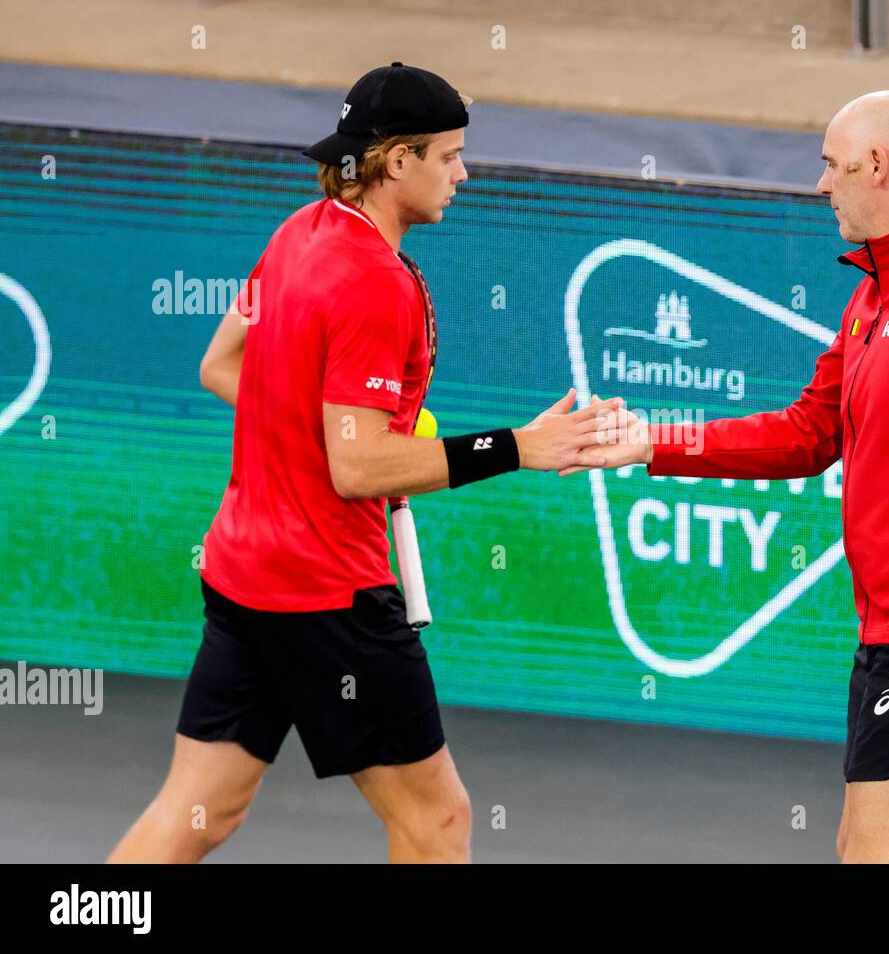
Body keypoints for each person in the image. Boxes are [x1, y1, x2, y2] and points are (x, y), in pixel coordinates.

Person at [108, 63, 613, 864]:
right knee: (436, 820)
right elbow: (360, 470)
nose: (463, 173)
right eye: (448, 156)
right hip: (327, 595)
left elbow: (223, 364)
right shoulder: (377, 285)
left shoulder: (298, 231)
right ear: (397, 160)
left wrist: (338, 433)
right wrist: (517, 446)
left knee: (199, 809)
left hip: (245, 571)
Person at [579, 90, 889, 863]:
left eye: (831, 167)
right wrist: (651, 442)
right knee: (862, 849)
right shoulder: (875, 291)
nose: (821, 185)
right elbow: (809, 432)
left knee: (880, 854)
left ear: (878, 165)